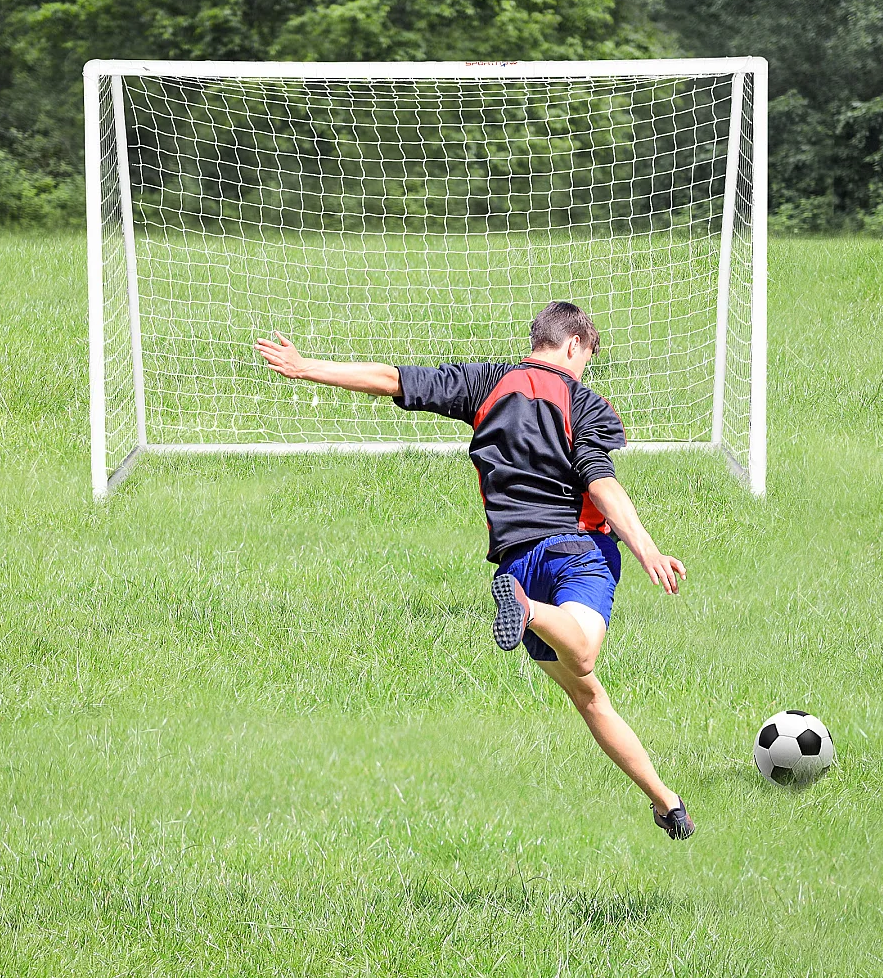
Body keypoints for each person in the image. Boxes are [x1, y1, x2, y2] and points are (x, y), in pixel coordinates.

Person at [254, 301, 694, 839]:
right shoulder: (584, 402)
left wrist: (307, 367)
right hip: (576, 551)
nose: (584, 369)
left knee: (588, 693)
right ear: (574, 345)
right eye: (587, 357)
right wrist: (647, 547)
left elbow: (393, 380)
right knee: (583, 649)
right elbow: (599, 480)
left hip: (517, 560)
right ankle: (529, 611)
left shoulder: (486, 383)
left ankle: (664, 800)